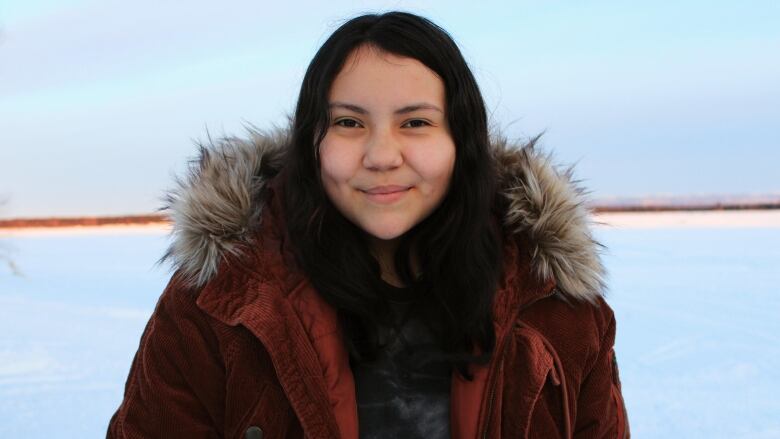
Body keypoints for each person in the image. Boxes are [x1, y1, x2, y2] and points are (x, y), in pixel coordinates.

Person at [107, 11, 629, 439]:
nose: (381, 155)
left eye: (416, 123)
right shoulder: (219, 306)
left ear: (461, 141)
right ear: (313, 142)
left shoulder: (558, 312)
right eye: (349, 123)